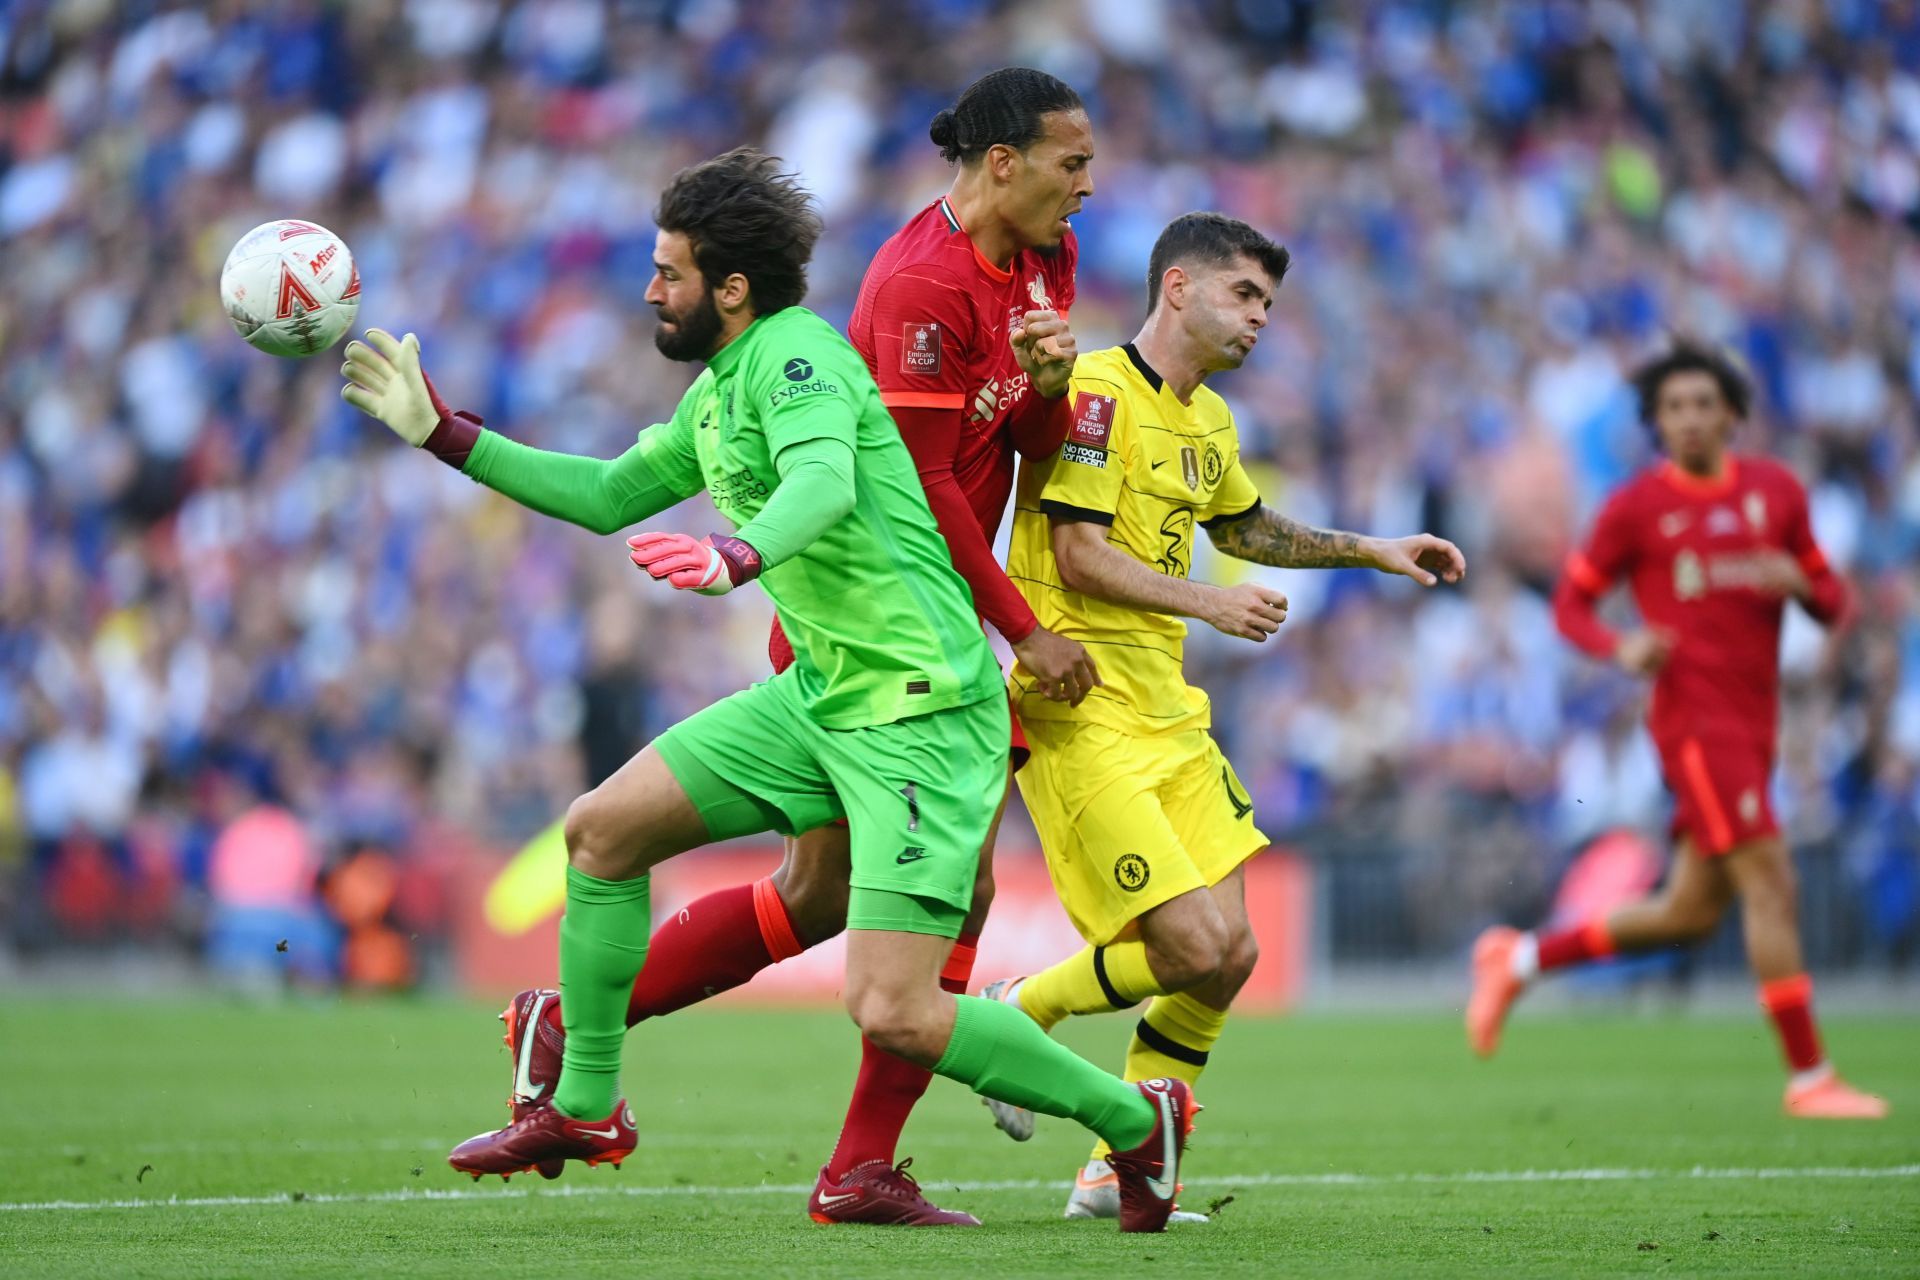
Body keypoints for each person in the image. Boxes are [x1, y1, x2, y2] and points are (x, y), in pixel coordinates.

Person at [340, 147, 1196, 1232]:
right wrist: (441, 431)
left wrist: (738, 556)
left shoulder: (798, 359)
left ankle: (1134, 1119)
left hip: (919, 711)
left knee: (890, 1005)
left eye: (669, 272)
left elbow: (825, 483)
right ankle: (587, 1107)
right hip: (825, 695)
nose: (651, 289)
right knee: (600, 832)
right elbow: (607, 494)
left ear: (730, 288)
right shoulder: (719, 389)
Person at [492, 67, 1102, 1226]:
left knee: (826, 894)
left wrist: (1055, 387)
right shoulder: (916, 287)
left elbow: (1024, 438)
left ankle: (589, 1032)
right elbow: (915, 487)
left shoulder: (1042, 257)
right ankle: (883, 1153)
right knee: (933, 908)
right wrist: (1021, 629)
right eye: (1072, 163)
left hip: (917, 625)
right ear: (1005, 165)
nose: (1089, 185)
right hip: (891, 631)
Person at [979, 212, 1466, 1218]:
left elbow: (1245, 523)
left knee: (1230, 955)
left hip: (1171, 712)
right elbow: (1074, 552)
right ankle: (1017, 1013)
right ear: (1179, 290)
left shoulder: (1208, 422)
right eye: (1245, 296)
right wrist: (1210, 599)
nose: (1260, 319)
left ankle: (1114, 1172)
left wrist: (1373, 548)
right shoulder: (1099, 395)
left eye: (1269, 305)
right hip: (1084, 707)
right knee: (1194, 944)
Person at [1466, 340, 1889, 1121]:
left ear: (1730, 413)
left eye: (1703, 404)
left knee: (1688, 911)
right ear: (1656, 422)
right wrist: (1619, 645)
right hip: (1694, 725)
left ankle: (1516, 958)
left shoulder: (1776, 493)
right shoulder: (1636, 508)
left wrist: (1802, 582)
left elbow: (1836, 604)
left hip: (1758, 723)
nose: (1690, 419)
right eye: (1674, 408)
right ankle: (1811, 1078)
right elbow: (1571, 605)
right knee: (1773, 883)